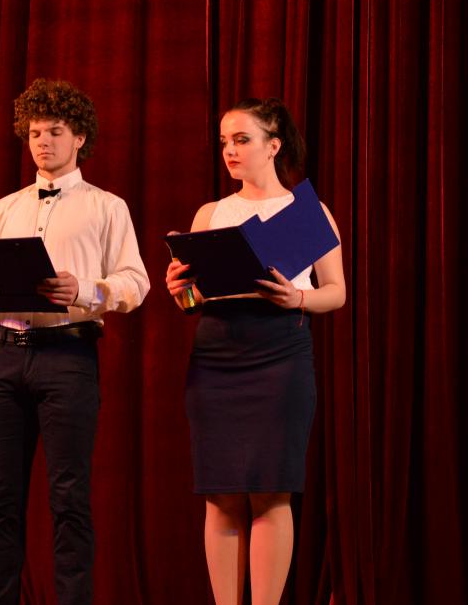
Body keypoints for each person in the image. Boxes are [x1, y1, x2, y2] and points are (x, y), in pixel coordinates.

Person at [0, 78, 150, 605]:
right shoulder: (5, 207)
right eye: (34, 133)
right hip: (5, 356)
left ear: (80, 137)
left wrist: (84, 290)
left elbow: (136, 284)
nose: (42, 142)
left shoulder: (107, 207)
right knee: (1, 500)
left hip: (68, 356)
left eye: (55, 131)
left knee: (69, 499)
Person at [164, 97, 346, 605]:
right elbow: (194, 301)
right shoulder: (211, 213)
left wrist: (297, 298)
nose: (230, 150)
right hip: (217, 353)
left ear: (274, 145)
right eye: (225, 141)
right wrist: (180, 291)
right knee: (220, 493)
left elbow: (336, 292)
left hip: (279, 352)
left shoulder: (307, 213)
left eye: (242, 139)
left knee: (270, 490)